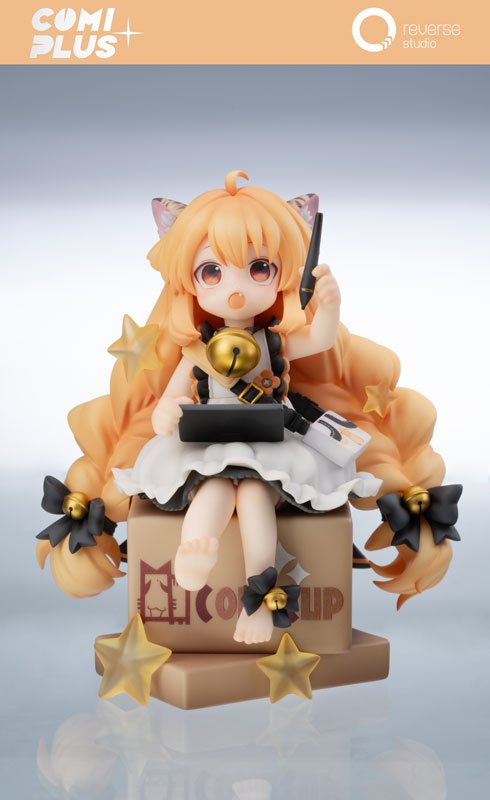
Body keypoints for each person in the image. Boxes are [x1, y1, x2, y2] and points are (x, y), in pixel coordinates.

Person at [37, 171, 454, 635]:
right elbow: (170, 398)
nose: (235, 290)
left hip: (270, 441)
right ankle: (196, 551)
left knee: (255, 495)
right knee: (213, 490)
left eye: (258, 269)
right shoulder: (197, 350)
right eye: (212, 272)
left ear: (282, 274)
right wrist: (165, 412)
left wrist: (330, 306)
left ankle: (259, 595)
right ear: (190, 282)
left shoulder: (274, 342)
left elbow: (319, 339)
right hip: (207, 443)